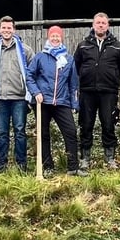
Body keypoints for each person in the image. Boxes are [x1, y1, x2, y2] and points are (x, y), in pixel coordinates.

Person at [26, 26, 86, 177]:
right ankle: (47, 167)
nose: (55, 38)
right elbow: (29, 76)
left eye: (57, 36)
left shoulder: (69, 59)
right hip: (42, 102)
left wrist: (74, 104)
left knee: (71, 132)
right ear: (48, 37)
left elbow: (73, 84)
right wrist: (36, 92)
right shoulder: (40, 57)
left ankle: (73, 167)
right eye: (52, 36)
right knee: (43, 135)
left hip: (62, 102)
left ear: (61, 38)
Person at [74, 12, 120, 170]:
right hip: (87, 91)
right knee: (86, 124)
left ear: (108, 26)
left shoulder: (117, 46)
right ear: (93, 25)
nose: (101, 25)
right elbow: (77, 66)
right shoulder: (83, 45)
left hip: (108, 92)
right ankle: (85, 158)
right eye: (98, 22)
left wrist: (112, 78)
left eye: (103, 23)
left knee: (108, 123)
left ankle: (110, 158)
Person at [0, 16, 34, 172]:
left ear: (14, 29)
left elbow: (32, 73)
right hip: (0, 99)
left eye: (9, 28)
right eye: (3, 28)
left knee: (20, 131)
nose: (6, 30)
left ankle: (21, 165)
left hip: (19, 98)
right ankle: (1, 165)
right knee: (2, 133)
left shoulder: (25, 50)